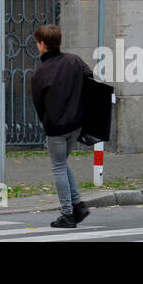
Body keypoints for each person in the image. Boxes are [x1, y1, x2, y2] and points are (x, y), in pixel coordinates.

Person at [30, 24, 92, 229]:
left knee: (58, 167)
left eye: (37, 42)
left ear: (42, 44)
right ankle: (78, 206)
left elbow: (38, 104)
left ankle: (68, 213)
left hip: (56, 128)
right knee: (62, 164)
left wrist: (47, 122)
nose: (37, 46)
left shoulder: (40, 73)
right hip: (76, 125)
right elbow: (91, 82)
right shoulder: (75, 61)